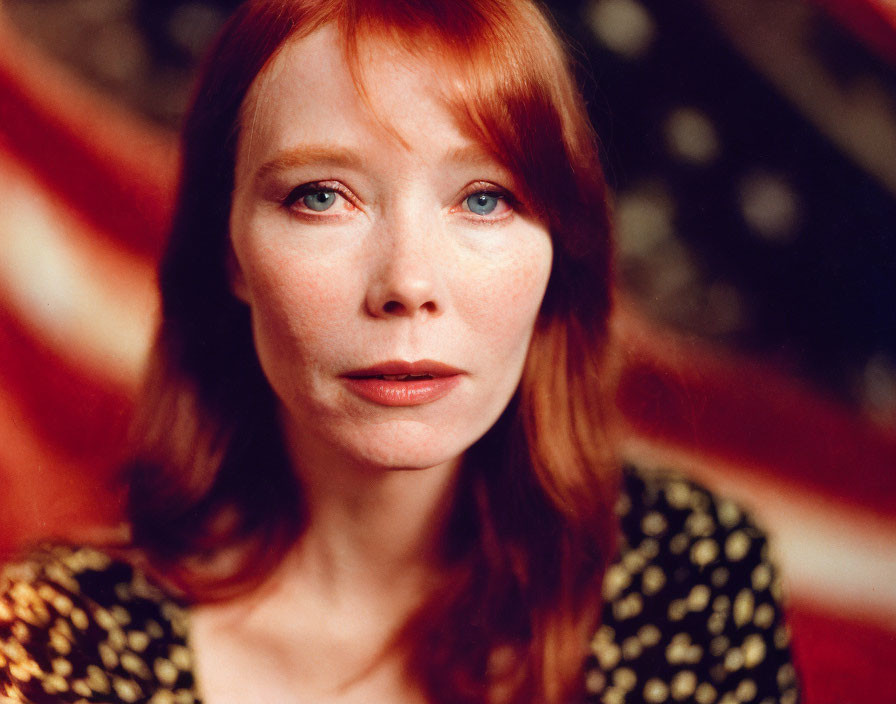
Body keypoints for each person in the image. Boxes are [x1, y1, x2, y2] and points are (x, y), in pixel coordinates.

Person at [0, 1, 799, 702]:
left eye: (485, 198)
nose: (408, 283)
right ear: (230, 252)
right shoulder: (55, 649)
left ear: (562, 247)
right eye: (321, 196)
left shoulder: (689, 576)